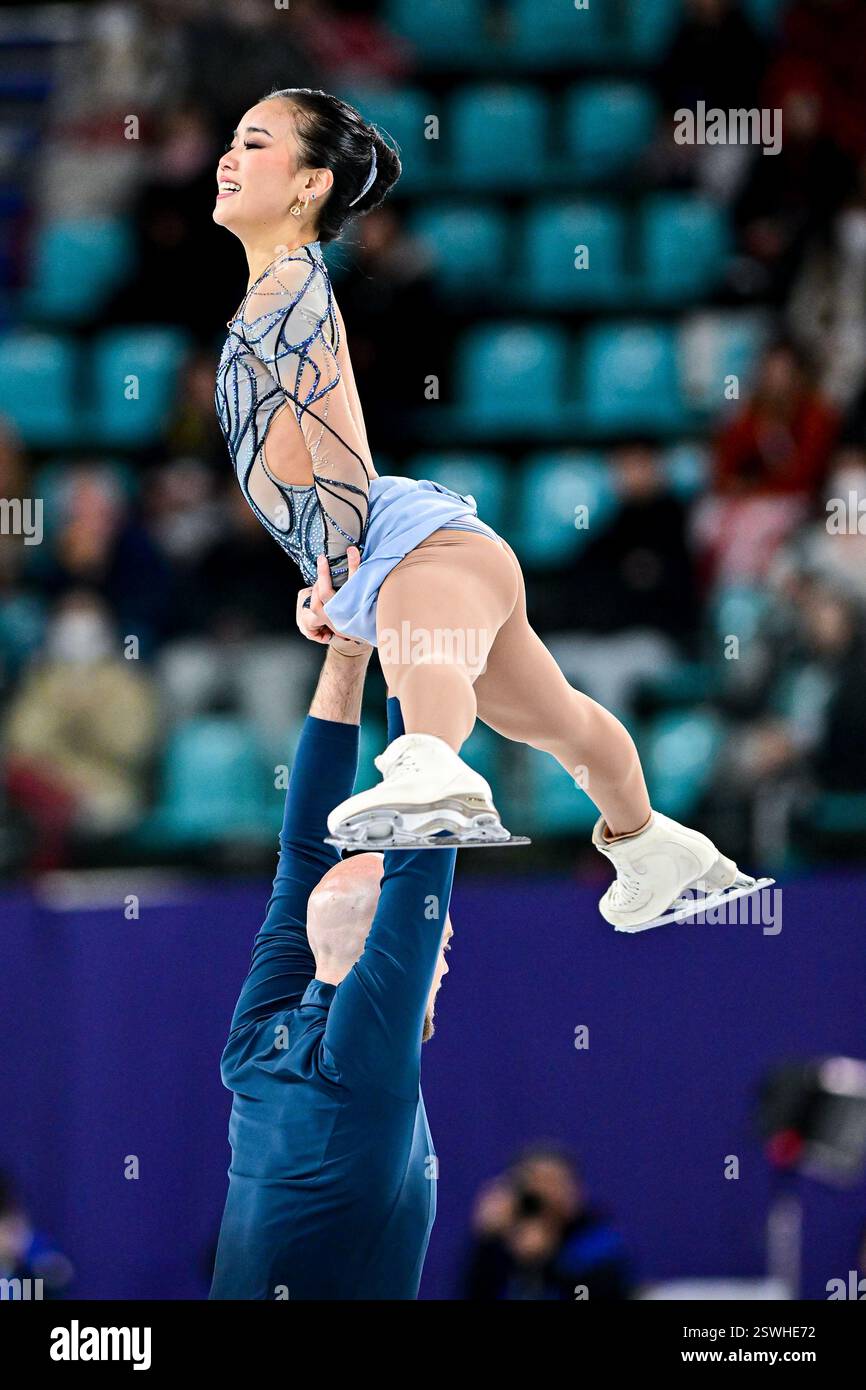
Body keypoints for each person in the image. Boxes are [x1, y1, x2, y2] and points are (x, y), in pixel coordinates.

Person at [213, 86, 765, 932]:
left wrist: (346, 555)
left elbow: (340, 436)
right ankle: (650, 839)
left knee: (426, 656)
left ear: (310, 184)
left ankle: (434, 764)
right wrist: (325, 572)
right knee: (556, 719)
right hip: (424, 548)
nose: (228, 157)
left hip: (410, 543)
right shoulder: (274, 292)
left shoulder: (293, 284)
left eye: (254, 144)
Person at [210, 586, 454, 1300]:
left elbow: (304, 849)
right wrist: (406, 632)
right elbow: (423, 840)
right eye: (436, 939)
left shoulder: (259, 1043)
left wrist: (352, 645)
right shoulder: (359, 1062)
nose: (442, 955)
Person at [464, 1147, 632, 1301]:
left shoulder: (599, 1242)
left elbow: (586, 1295)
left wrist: (546, 1260)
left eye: (554, 1182)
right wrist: (486, 1242)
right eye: (535, 1182)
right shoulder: (502, 1244)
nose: (545, 1193)